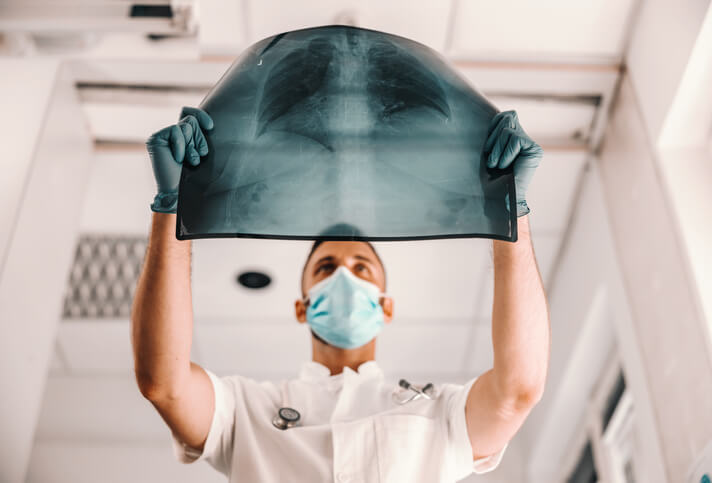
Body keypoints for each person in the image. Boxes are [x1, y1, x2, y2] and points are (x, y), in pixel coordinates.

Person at [132, 106, 550, 482]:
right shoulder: (246, 410)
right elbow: (163, 383)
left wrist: (510, 211)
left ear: (386, 306)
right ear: (302, 307)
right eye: (326, 268)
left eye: (362, 268)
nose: (344, 277)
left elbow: (519, 390)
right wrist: (172, 207)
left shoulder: (437, 411)